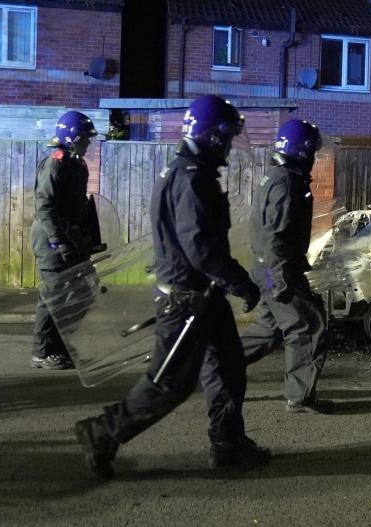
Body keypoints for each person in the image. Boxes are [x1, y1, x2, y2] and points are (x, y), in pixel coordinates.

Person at [74, 95, 268, 479]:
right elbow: (200, 248)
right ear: (212, 136)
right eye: (227, 136)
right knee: (170, 384)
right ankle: (102, 432)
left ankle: (227, 443)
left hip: (203, 296)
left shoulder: (186, 171)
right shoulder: (193, 178)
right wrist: (242, 283)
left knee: (228, 369)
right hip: (187, 301)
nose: (230, 144)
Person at [239, 119, 332, 414]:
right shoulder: (287, 182)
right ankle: (300, 398)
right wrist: (279, 279)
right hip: (278, 272)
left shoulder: (279, 176)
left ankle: (212, 364)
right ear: (302, 151)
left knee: (269, 330)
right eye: (312, 152)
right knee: (309, 326)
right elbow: (275, 236)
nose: (315, 158)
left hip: (270, 270)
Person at [30, 111, 97, 370]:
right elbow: (45, 205)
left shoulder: (76, 164)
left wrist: (87, 237)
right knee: (53, 295)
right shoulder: (55, 163)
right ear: (73, 138)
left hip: (72, 238)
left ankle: (60, 345)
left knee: (87, 291)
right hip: (51, 240)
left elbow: (77, 206)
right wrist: (60, 242)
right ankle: (43, 352)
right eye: (85, 139)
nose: (88, 144)